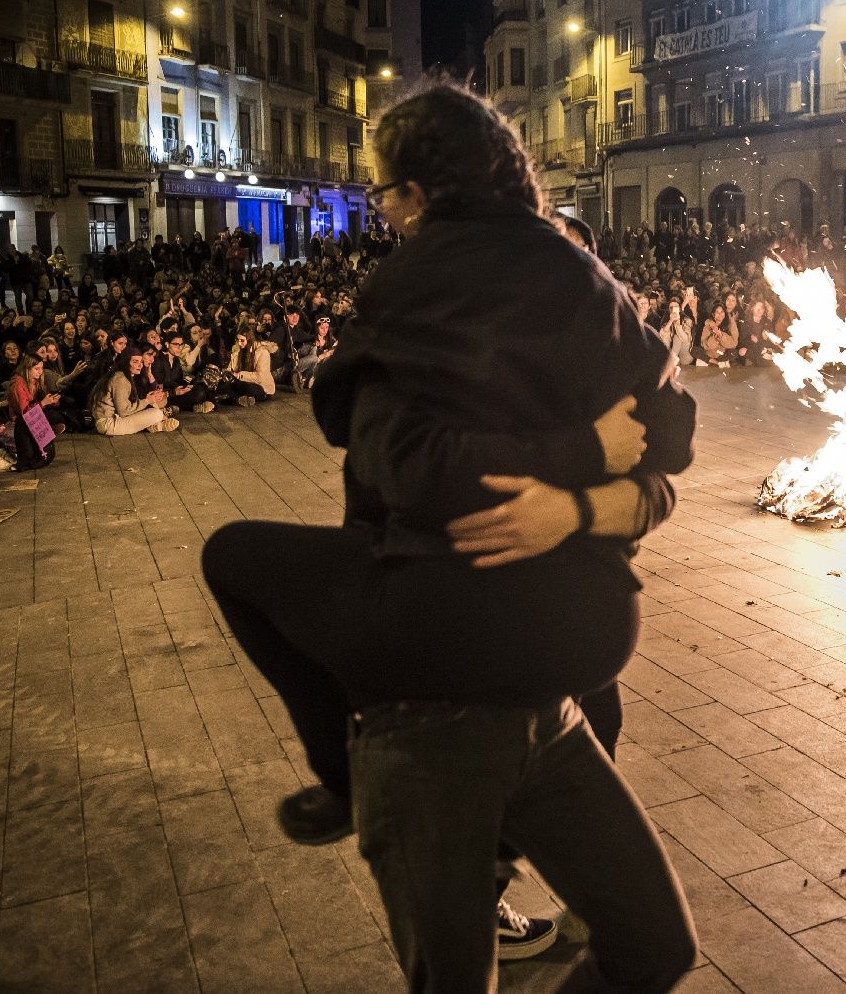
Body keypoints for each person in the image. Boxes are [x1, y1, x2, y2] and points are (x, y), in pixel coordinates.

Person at [201, 82, 697, 992]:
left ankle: (340, 770)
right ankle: (353, 779)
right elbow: (668, 442)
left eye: (387, 196)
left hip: (446, 694)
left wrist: (569, 485)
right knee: (651, 948)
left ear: (420, 195)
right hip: (555, 669)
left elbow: (408, 468)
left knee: (229, 556)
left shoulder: (414, 285)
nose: (384, 216)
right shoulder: (585, 278)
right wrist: (587, 465)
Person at [90, 349, 179, 435]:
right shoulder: (121, 379)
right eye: (135, 362)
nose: (140, 365)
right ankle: (157, 424)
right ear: (125, 362)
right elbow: (124, 411)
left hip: (114, 419)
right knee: (157, 414)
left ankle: (156, 425)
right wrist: (147, 400)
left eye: (140, 362)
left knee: (155, 409)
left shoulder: (125, 376)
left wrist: (149, 398)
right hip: (108, 424)